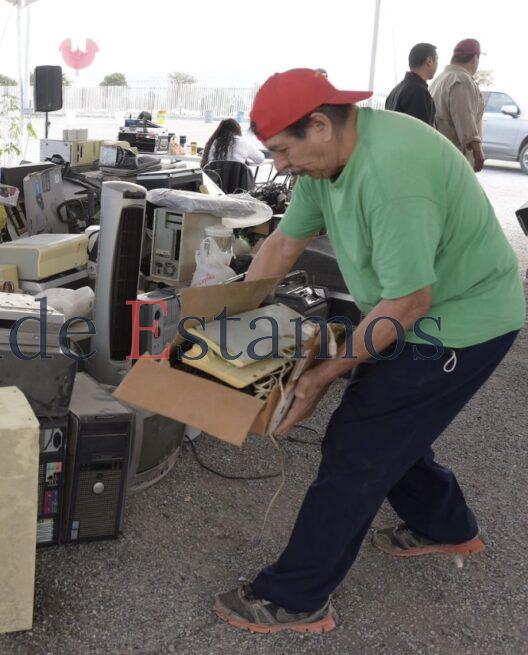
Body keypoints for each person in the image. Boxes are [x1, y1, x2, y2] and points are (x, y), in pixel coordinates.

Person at [211, 68, 525, 634]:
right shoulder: (326, 161)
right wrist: (229, 323)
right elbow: (281, 245)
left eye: (282, 150)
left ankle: (297, 597)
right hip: (409, 309)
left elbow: (410, 302)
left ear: (320, 126)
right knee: (388, 427)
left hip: (462, 321)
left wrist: (322, 375)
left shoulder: (392, 175)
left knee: (357, 443)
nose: (279, 164)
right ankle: (446, 526)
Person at [430, 39, 486, 172]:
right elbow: (465, 119)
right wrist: (477, 151)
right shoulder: (461, 80)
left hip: (440, 154)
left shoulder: (441, 78)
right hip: (455, 159)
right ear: (474, 59)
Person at [385, 43, 438, 125]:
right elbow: (420, 130)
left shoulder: (396, 90)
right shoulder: (418, 92)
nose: (437, 64)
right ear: (429, 61)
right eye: (437, 60)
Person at [200, 118, 265, 167]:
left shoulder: (215, 142)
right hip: (238, 181)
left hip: (216, 180)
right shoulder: (245, 143)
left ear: (220, 130)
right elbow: (260, 159)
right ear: (238, 130)